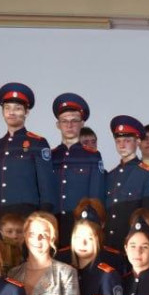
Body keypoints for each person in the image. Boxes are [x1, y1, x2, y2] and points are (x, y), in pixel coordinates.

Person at [0, 83, 57, 218]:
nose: (11, 112)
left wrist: (44, 216)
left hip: (28, 213)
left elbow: (46, 185)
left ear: (26, 112)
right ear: (3, 112)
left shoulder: (37, 143)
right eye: (7, 108)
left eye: (17, 108)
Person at [50, 93, 104, 240]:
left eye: (74, 121)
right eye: (64, 121)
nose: (69, 125)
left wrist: (92, 224)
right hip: (53, 224)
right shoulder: (51, 156)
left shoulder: (92, 156)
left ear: (82, 124)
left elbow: (96, 197)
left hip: (81, 224)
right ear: (58, 125)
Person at [104, 115, 149, 248]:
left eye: (127, 140)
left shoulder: (148, 173)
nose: (122, 145)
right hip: (108, 245)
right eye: (118, 141)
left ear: (138, 142)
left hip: (133, 246)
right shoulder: (110, 176)